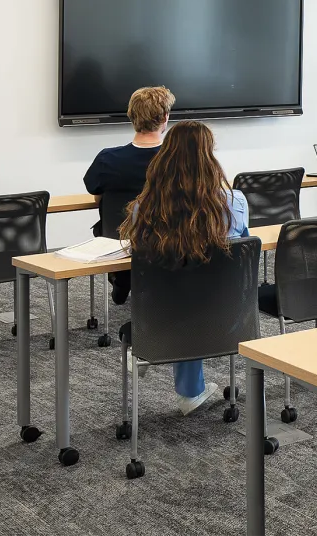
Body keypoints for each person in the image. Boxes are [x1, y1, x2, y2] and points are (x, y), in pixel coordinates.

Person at [118, 120, 250, 416]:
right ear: (210, 155)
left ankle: (151, 353)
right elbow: (239, 255)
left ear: (166, 157)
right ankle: (190, 393)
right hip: (227, 317)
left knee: (179, 292)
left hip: (160, 319)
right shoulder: (236, 203)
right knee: (201, 289)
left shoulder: (146, 208)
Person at [83, 85, 174, 304]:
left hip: (119, 240)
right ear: (165, 117)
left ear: (131, 116)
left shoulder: (108, 159)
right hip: (168, 241)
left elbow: (96, 193)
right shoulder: (176, 160)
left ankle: (122, 278)